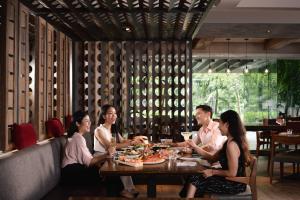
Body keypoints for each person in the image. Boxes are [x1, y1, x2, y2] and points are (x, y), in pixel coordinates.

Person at [183, 110, 251, 198]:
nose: (218, 126)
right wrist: (195, 147)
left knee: (195, 179)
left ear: (227, 124)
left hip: (234, 184)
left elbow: (232, 173)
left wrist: (212, 172)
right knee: (194, 177)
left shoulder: (232, 145)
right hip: (229, 180)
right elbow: (212, 158)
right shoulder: (228, 142)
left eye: (220, 123)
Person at [94, 104, 141, 198]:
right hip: (100, 156)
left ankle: (129, 188)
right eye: (110, 113)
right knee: (122, 161)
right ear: (104, 116)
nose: (114, 116)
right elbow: (110, 146)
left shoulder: (113, 128)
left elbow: (123, 140)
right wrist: (131, 143)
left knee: (125, 159)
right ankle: (125, 190)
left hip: (111, 154)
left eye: (115, 113)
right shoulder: (99, 130)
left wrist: (135, 140)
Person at [61, 111, 113, 186]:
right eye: (86, 121)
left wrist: (105, 157)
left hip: (70, 172)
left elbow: (89, 159)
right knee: (109, 177)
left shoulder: (76, 136)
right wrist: (106, 154)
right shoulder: (78, 138)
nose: (89, 124)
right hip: (70, 174)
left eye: (89, 121)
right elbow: (89, 162)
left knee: (105, 173)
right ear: (78, 123)